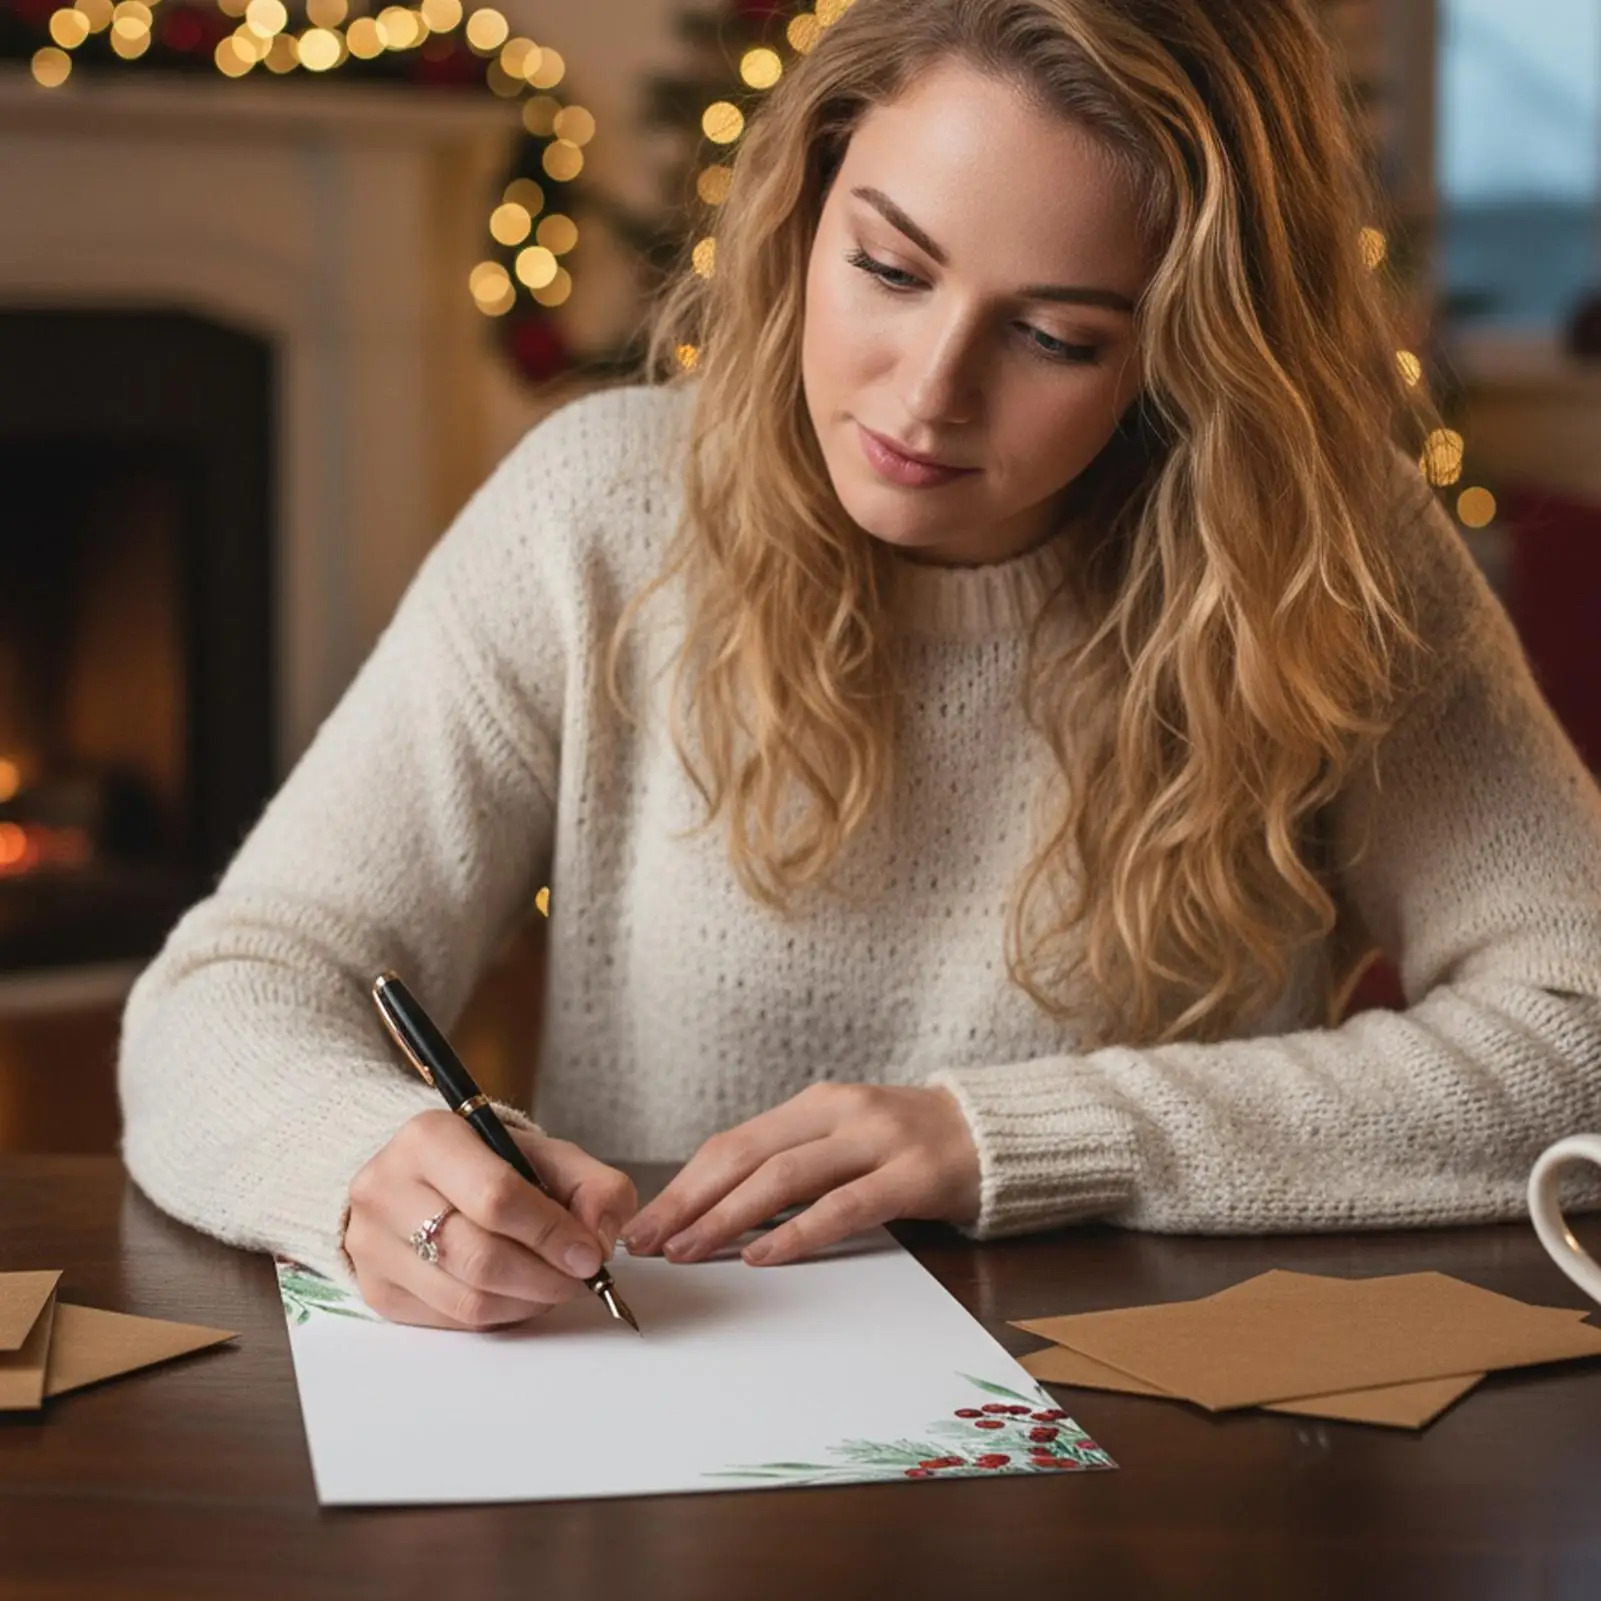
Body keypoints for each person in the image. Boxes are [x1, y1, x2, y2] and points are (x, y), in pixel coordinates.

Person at [117, 0, 1601, 1333]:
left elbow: (1580, 1030)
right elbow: (230, 993)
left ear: (1189, 352)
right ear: (806, 203)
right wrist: (364, 1165)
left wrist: (1013, 1137)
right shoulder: (595, 512)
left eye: (1055, 338)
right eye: (889, 268)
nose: (929, 393)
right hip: (665, 1426)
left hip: (1156, 1470)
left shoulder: (1320, 558)